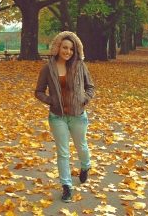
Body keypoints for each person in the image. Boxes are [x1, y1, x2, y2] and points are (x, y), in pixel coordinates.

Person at [35, 31, 95, 203]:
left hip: (78, 116)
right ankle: (66, 186)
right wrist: (51, 100)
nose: (67, 51)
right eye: (64, 47)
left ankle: (85, 166)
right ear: (58, 47)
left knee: (81, 147)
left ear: (75, 50)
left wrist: (84, 99)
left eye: (71, 49)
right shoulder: (48, 68)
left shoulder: (80, 66)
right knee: (63, 153)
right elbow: (38, 91)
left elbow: (90, 87)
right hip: (57, 116)